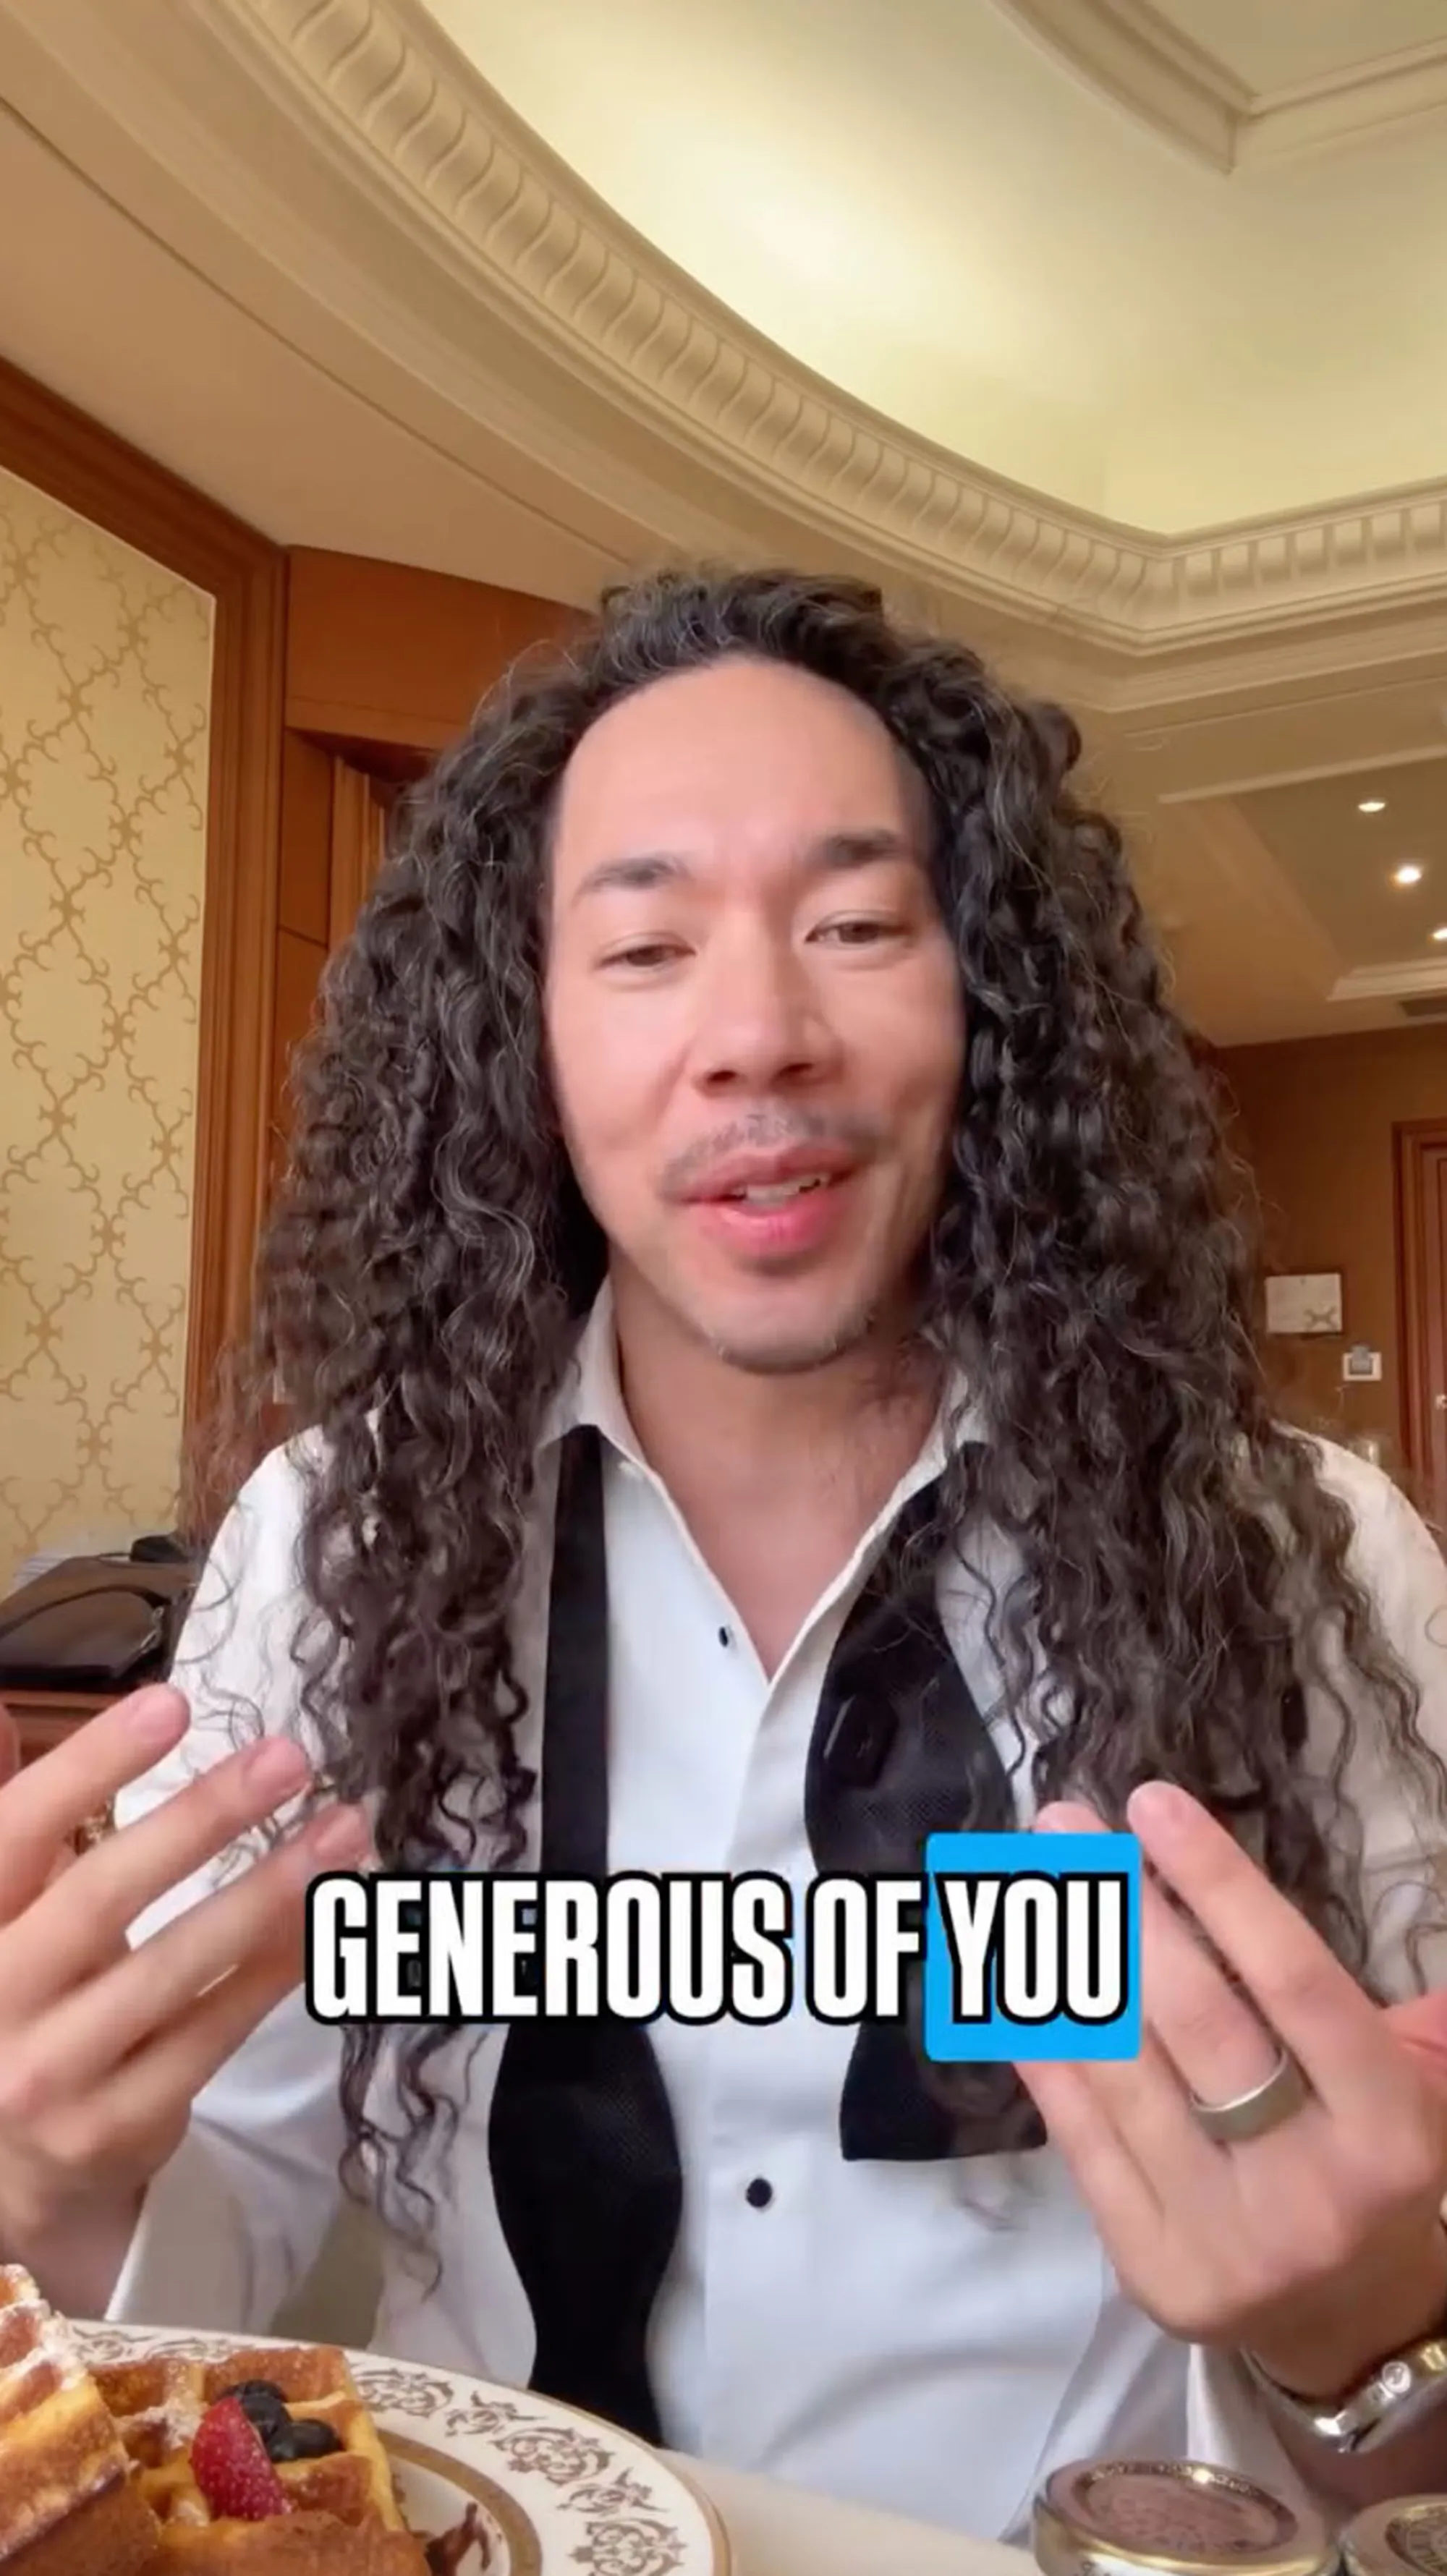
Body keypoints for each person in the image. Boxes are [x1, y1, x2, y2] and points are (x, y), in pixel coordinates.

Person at [3, 566, 1447, 2546]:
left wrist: (1363, 2329)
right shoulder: (340, 1544)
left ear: (991, 1004)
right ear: (524, 1037)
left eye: (857, 925)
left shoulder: (1306, 1562)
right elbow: (204, 2267)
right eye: (645, 946)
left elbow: (1402, 2425)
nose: (759, 1033)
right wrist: (51, 2186)